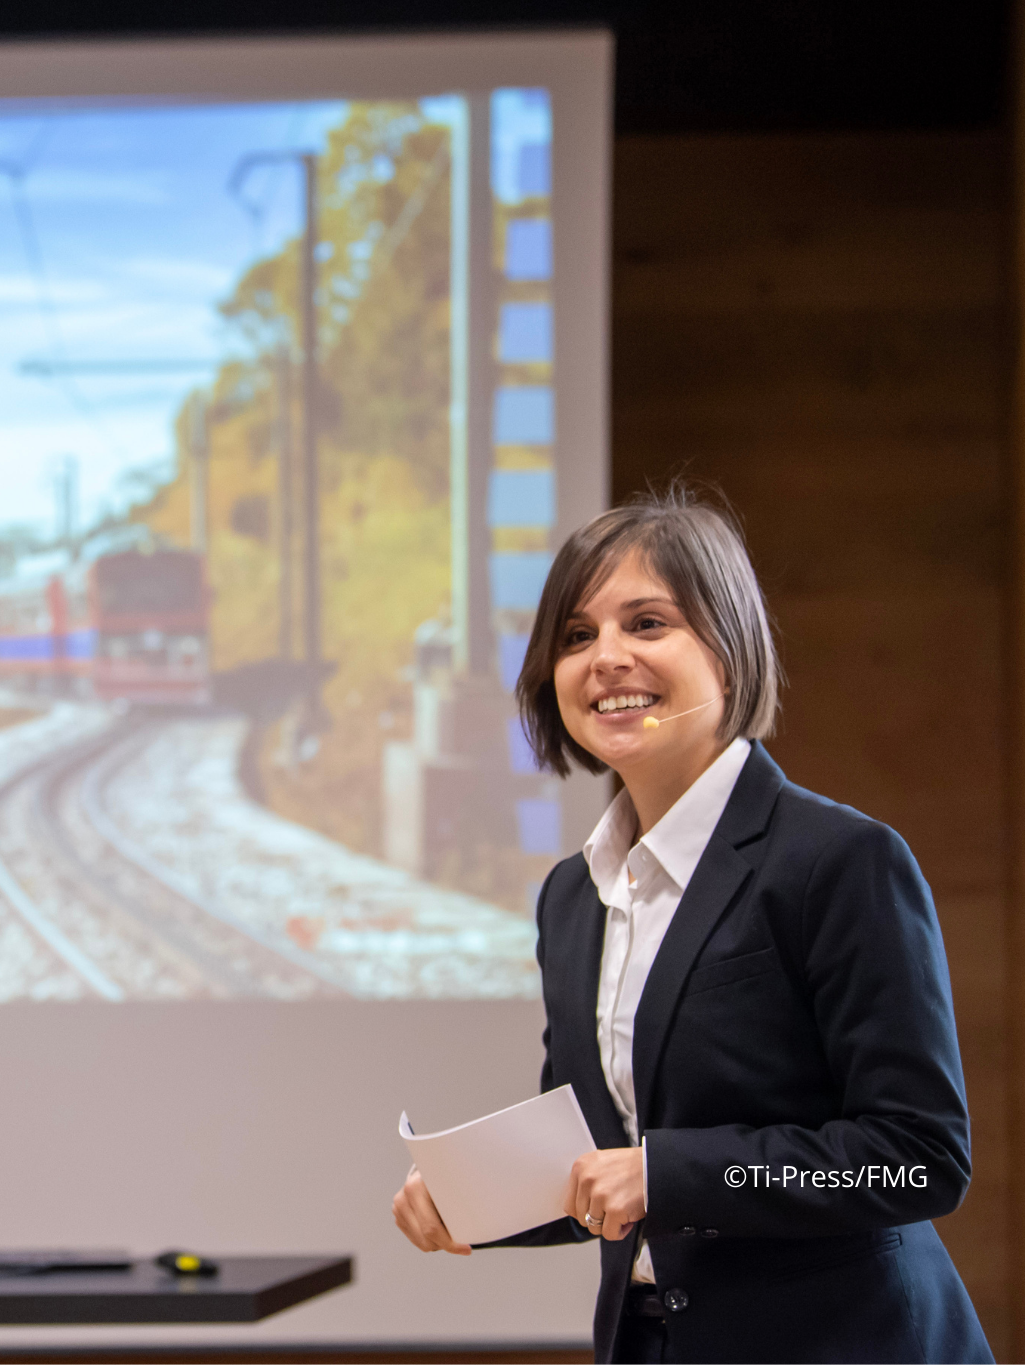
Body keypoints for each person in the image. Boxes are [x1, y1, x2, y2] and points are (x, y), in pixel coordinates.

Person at [389, 487, 990, 1363]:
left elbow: (915, 1158)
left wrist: (669, 1174)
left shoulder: (839, 860)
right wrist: (469, 1198)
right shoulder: (572, 896)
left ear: (730, 651)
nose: (607, 658)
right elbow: (596, 1161)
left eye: (648, 623)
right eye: (576, 635)